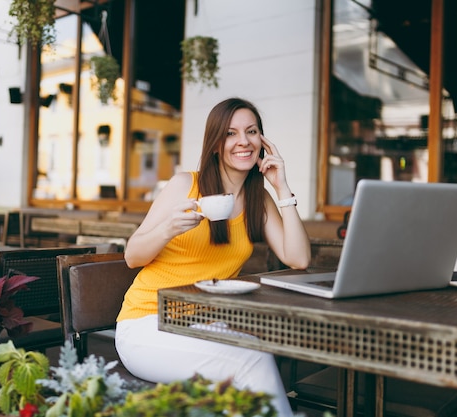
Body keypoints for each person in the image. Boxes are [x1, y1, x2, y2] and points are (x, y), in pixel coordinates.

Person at [115, 97, 311, 417]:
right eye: (231, 133)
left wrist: (282, 187)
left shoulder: (258, 200)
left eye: (251, 131)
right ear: (216, 144)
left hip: (205, 323)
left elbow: (298, 259)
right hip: (147, 324)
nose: (243, 141)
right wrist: (168, 228)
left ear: (263, 140)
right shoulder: (185, 185)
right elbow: (131, 256)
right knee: (252, 362)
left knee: (260, 352)